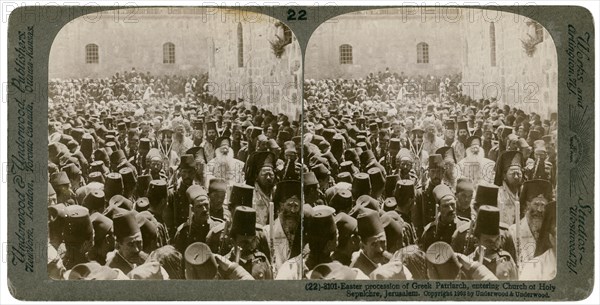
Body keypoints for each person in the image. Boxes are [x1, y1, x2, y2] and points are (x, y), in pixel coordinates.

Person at [172, 185, 224, 254]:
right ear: (192, 209)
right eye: (199, 206)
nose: (204, 209)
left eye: (206, 204)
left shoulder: (219, 228)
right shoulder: (183, 232)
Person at [420, 184, 469, 251]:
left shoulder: (465, 228)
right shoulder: (429, 232)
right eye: (446, 206)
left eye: (452, 204)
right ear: (438, 208)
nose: (451, 209)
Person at [106, 210, 148, 274]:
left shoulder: (144, 259)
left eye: (139, 242)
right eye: (131, 244)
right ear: (118, 245)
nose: (136, 250)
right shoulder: (113, 271)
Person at [350, 209, 388, 276]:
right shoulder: (360, 273)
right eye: (374, 244)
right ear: (362, 246)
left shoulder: (381, 259)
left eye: (382, 242)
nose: (380, 249)